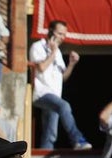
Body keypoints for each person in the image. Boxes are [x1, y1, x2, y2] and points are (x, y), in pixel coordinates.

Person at [28, 20, 91, 150]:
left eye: (64, 35)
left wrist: (72, 64)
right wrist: (53, 52)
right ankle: (77, 139)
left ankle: (44, 156)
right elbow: (40, 67)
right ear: (50, 31)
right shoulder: (38, 46)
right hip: (41, 93)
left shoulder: (57, 52)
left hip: (55, 93)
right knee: (64, 106)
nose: (62, 37)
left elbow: (62, 77)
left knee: (51, 132)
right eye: (59, 33)